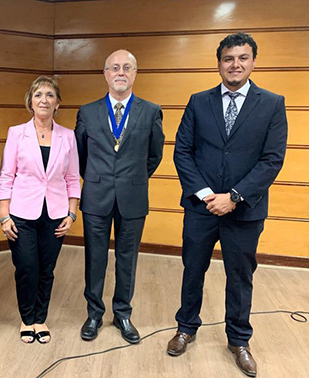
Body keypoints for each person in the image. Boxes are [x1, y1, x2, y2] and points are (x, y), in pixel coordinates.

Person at [168, 32, 288, 377]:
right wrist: (207, 195)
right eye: (228, 58)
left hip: (245, 210)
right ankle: (185, 328)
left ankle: (239, 340)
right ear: (218, 63)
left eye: (242, 58)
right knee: (193, 270)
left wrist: (234, 197)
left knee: (239, 277)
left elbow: (271, 159)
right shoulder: (198, 101)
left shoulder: (272, 103)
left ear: (253, 61)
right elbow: (183, 152)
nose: (235, 64)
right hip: (201, 209)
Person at [75, 50, 164, 344]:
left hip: (133, 197)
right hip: (96, 197)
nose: (120, 72)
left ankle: (123, 313)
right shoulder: (87, 112)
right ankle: (94, 314)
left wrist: (132, 178)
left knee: (128, 258)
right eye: (114, 68)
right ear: (106, 74)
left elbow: (154, 155)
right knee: (95, 258)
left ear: (135, 73)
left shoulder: (151, 111)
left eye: (127, 67)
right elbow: (80, 154)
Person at [0, 76, 80, 344]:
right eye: (38, 95)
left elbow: (72, 177)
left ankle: (40, 319)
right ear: (30, 101)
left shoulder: (68, 137)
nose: (44, 100)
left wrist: (71, 213)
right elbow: (7, 175)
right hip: (22, 213)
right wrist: (4, 214)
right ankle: (26, 318)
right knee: (26, 267)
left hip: (56, 214)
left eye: (50, 95)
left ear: (57, 103)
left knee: (47, 268)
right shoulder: (16, 133)